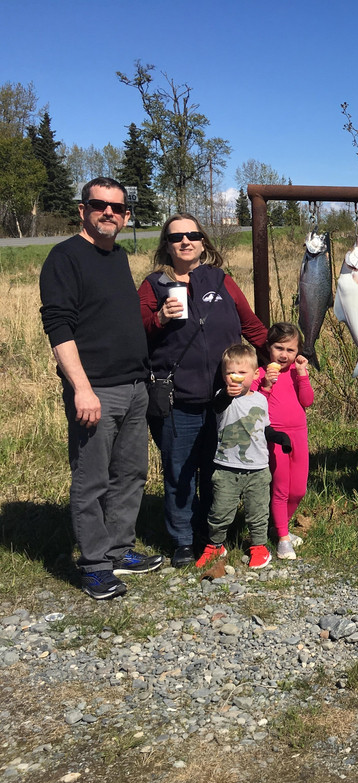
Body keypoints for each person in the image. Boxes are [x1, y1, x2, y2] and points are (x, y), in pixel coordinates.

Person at [39, 177, 163, 599]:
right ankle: (93, 565)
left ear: (127, 215)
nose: (109, 212)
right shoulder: (65, 257)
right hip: (96, 392)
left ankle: (119, 549)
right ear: (83, 209)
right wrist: (81, 388)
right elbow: (58, 326)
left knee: (130, 474)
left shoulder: (118, 255)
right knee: (91, 480)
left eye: (118, 208)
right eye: (99, 205)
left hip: (134, 386)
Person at [139, 214, 267, 568]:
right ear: (166, 244)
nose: (185, 241)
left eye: (192, 234)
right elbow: (135, 333)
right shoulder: (154, 285)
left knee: (217, 470)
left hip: (225, 400)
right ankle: (182, 539)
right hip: (177, 399)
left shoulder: (221, 280)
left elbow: (251, 326)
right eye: (176, 236)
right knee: (180, 472)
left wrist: (282, 359)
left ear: (203, 242)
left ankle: (212, 535)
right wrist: (160, 318)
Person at [200, 344, 292, 570]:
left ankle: (259, 546)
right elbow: (217, 406)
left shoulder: (260, 399)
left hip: (258, 469)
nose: (236, 377)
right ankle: (215, 546)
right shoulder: (223, 397)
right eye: (231, 373)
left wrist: (280, 437)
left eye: (242, 373)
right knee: (220, 511)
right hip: (226, 467)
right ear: (224, 376)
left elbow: (265, 427)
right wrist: (227, 395)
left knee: (258, 512)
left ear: (255, 375)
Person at [256, 323, 314, 560]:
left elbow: (307, 401)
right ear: (269, 348)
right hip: (275, 436)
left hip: (299, 434)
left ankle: (280, 525)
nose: (284, 354)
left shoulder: (295, 373)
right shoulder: (260, 374)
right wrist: (267, 385)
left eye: (290, 350)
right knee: (280, 488)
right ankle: (282, 538)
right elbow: (256, 407)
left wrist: (302, 375)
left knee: (298, 490)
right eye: (279, 348)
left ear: (298, 351)